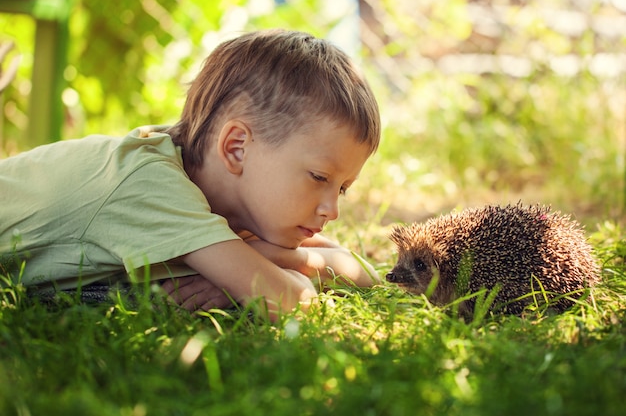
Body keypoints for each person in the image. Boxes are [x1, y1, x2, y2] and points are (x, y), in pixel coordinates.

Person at [0, 29, 381, 320]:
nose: (332, 211)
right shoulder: (152, 185)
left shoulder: (238, 200)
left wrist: (260, 258)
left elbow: (364, 272)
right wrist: (263, 272)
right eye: (319, 177)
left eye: (343, 188)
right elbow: (291, 304)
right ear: (236, 147)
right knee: (153, 298)